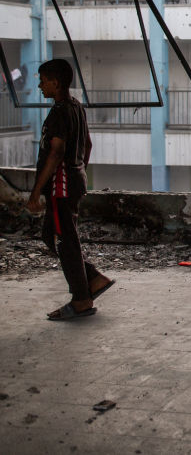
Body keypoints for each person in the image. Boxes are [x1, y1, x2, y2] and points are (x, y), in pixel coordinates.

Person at [26, 59, 114, 320]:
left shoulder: (60, 112)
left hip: (60, 186)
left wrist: (35, 192)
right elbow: (87, 145)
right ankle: (93, 279)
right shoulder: (76, 107)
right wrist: (79, 171)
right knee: (52, 236)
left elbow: (56, 152)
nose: (40, 85)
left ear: (56, 82)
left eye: (43, 80)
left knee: (65, 241)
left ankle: (81, 299)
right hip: (72, 180)